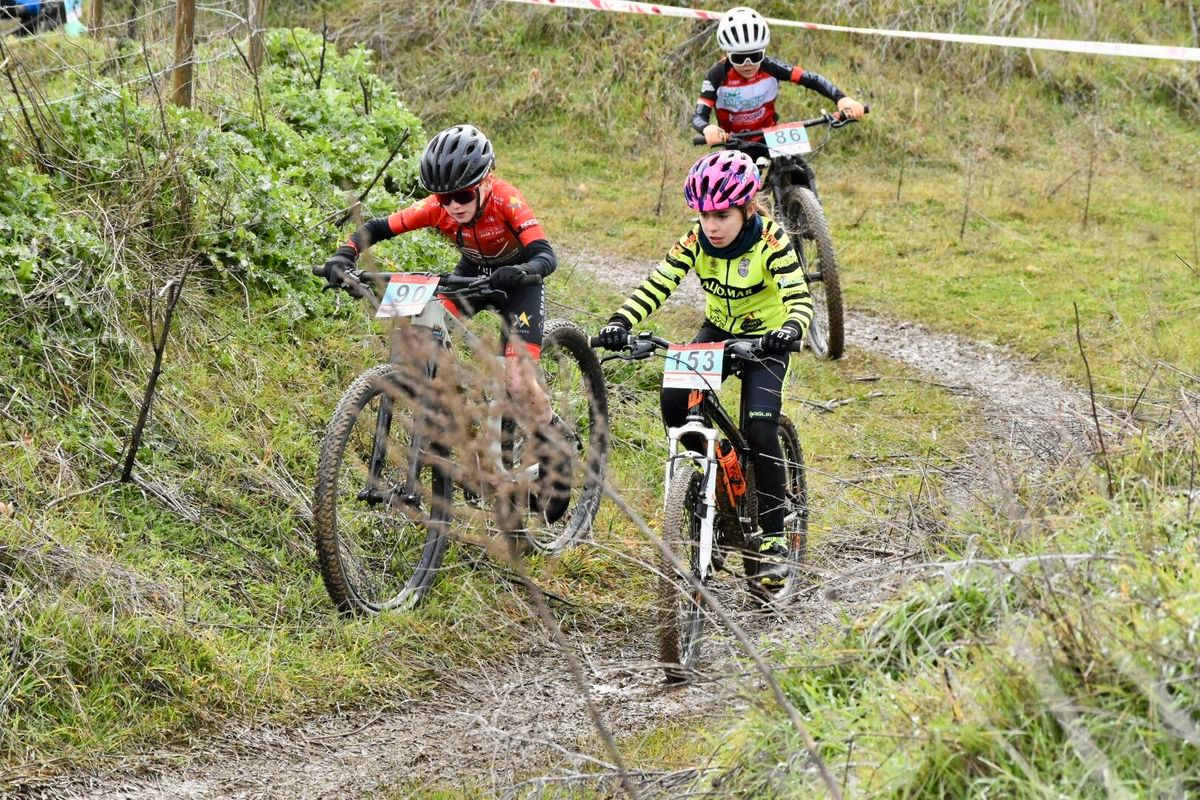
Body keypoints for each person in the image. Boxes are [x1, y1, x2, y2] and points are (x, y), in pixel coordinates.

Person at [321, 124, 570, 523]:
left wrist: (524, 269)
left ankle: (553, 437)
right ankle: (460, 418)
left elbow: (545, 254)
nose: (453, 206)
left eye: (463, 195)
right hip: (471, 277)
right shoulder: (437, 207)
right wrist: (344, 254)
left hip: (518, 284)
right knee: (423, 332)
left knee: (518, 381)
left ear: (485, 181)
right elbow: (378, 227)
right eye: (444, 197)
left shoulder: (506, 199)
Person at [595, 151, 812, 595]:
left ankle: (773, 538)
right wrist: (620, 322)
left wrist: (789, 329)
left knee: (760, 427)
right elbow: (658, 283)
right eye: (704, 215)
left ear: (746, 208)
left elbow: (799, 297)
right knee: (674, 402)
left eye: (722, 215)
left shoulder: (770, 240)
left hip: (767, 340)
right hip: (719, 332)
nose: (711, 225)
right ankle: (714, 481)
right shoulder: (696, 239)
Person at [693, 6, 865, 149]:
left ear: (764, 51)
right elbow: (699, 116)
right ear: (727, 54)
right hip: (735, 141)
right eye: (739, 58)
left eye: (755, 56)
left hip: (771, 135)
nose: (748, 64)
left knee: (799, 168)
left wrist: (842, 99)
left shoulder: (770, 66)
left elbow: (811, 79)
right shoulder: (717, 74)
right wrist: (707, 128)